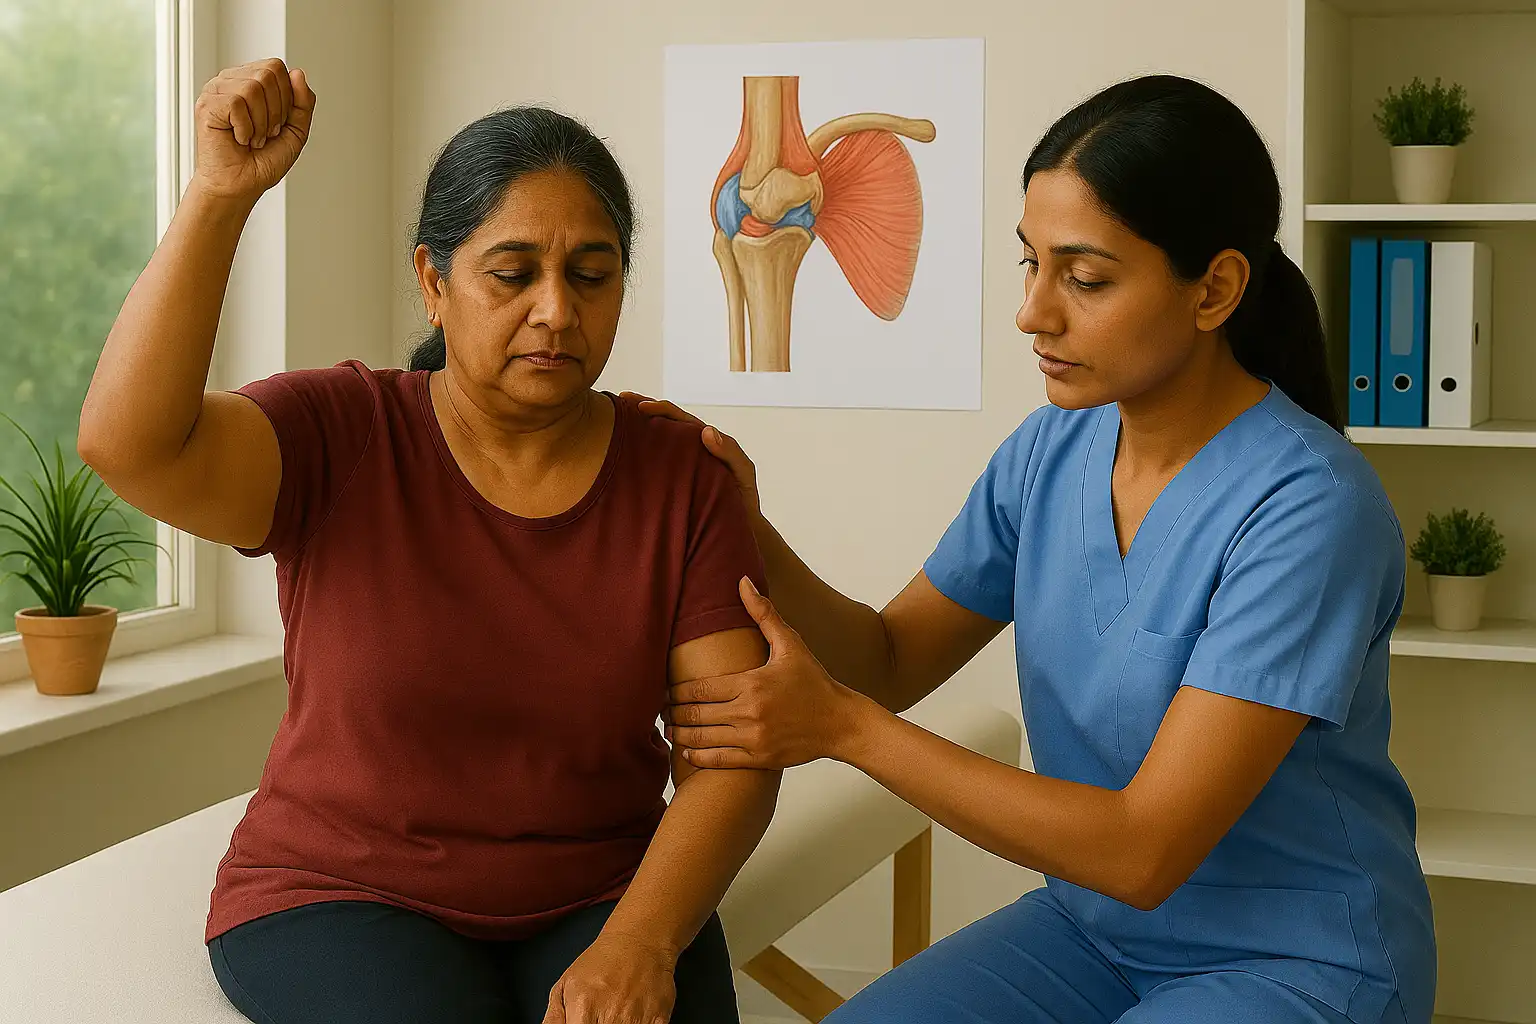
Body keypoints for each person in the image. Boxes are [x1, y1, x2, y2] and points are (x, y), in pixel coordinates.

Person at [647, 74, 1436, 1024]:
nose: (1034, 311)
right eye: (1032, 262)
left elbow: (1144, 850)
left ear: (1216, 288)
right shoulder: (1051, 450)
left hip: (1293, 961)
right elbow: (891, 659)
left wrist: (841, 729)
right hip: (1092, 932)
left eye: (1086, 278)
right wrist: (742, 523)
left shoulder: (1310, 510)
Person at [80, 58, 780, 1024]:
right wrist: (219, 196)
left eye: (591, 275)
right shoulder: (339, 432)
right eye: (512, 273)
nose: (556, 312)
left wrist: (640, 944)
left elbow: (732, 759)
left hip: (600, 891)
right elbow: (130, 447)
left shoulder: (679, 473)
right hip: (341, 894)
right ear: (433, 280)